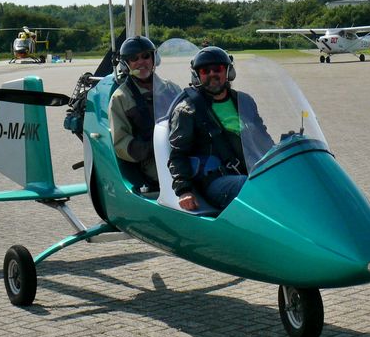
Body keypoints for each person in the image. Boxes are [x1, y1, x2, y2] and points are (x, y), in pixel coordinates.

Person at [167, 46, 272, 211]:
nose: (212, 74)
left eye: (218, 69)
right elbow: (178, 155)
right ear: (197, 76)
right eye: (205, 71)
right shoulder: (187, 110)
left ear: (228, 72)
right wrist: (184, 190)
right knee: (246, 186)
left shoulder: (244, 101)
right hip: (215, 180)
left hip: (252, 172)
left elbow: (263, 140)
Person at [108, 36, 181, 190]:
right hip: (153, 162)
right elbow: (121, 143)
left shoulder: (172, 89)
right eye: (134, 58)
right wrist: (155, 148)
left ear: (155, 59)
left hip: (183, 152)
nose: (141, 62)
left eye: (146, 56)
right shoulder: (121, 98)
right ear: (125, 64)